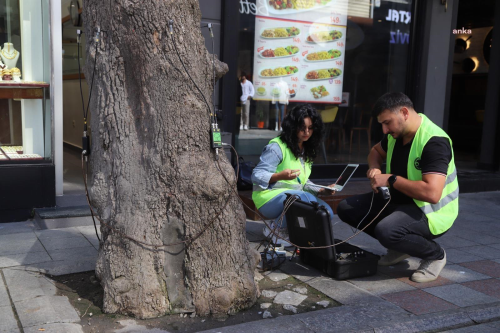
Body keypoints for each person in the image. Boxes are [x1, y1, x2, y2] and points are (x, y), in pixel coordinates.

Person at [337, 92, 459, 283]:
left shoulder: (434, 141)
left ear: (404, 112)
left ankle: (435, 255)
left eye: (387, 123)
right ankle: (400, 248)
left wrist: (391, 179)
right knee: (346, 208)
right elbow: (375, 151)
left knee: (387, 230)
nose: (384, 130)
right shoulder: (396, 134)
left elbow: (432, 194)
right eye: (382, 125)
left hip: (431, 212)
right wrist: (375, 168)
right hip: (400, 200)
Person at [252, 104, 336, 246]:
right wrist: (279, 176)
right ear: (292, 126)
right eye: (302, 127)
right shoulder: (277, 147)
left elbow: (301, 182)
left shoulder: (306, 148)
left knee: (326, 213)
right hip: (267, 198)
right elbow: (256, 175)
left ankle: (292, 230)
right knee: (302, 198)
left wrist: (322, 190)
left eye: (310, 128)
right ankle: (275, 230)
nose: (306, 132)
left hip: (293, 198)